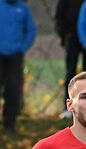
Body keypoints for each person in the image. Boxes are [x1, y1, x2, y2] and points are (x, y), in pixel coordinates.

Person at [0, 0, 36, 132]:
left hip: (15, 56)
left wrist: (22, 47)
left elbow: (31, 30)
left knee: (13, 89)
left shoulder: (23, 9)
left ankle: (9, 124)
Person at [55, 0, 86, 119]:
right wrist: (64, 36)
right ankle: (68, 107)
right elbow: (59, 16)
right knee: (70, 73)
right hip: (71, 38)